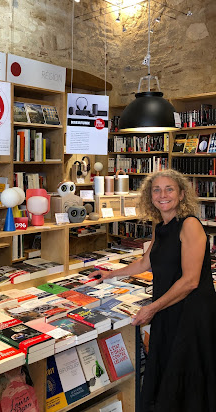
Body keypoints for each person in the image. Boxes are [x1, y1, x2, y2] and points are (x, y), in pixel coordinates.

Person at [89, 169, 216, 412]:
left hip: (192, 312)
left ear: (181, 195)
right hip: (169, 306)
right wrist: (110, 274)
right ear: (150, 196)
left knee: (187, 374)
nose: (162, 194)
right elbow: (146, 263)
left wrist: (152, 308)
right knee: (169, 368)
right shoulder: (160, 225)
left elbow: (190, 281)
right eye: (156, 189)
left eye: (169, 189)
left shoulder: (190, 225)